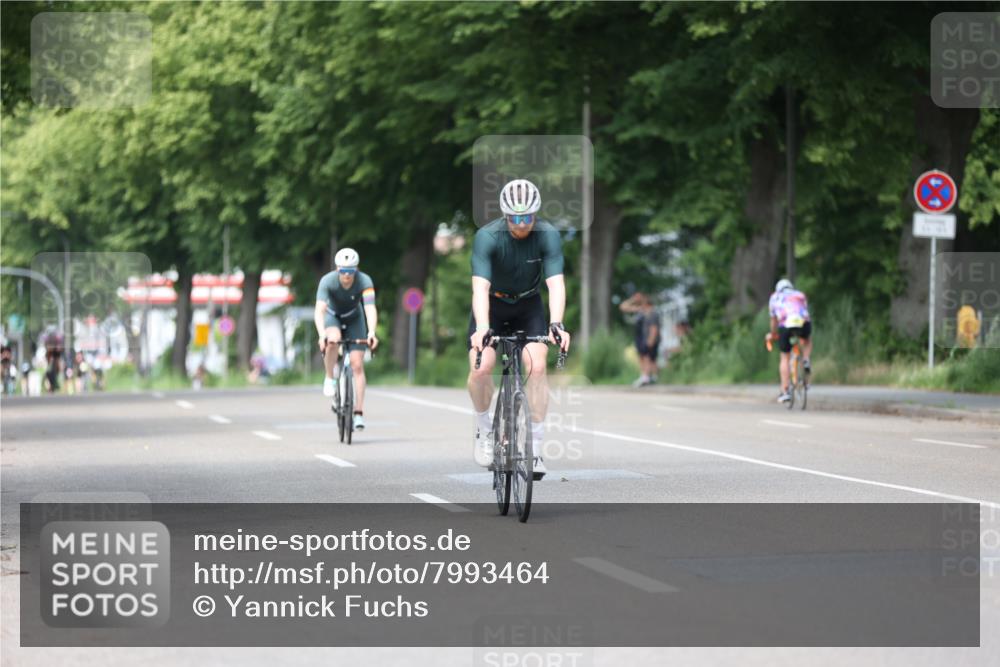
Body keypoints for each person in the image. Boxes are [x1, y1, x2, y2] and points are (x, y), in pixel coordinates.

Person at [467, 179, 571, 478]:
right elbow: (479, 288)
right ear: (505, 215)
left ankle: (536, 449)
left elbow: (555, 284)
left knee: (537, 367)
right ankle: (486, 431)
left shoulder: (547, 235)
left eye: (527, 217)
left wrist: (556, 323)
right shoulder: (488, 236)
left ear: (536, 215)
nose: (521, 223)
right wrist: (483, 327)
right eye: (514, 217)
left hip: (528, 305)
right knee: (481, 366)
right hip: (492, 304)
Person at [315, 248, 379, 431]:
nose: (347, 276)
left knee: (357, 365)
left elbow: (370, 308)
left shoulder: (365, 281)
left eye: (350, 271)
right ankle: (329, 377)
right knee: (333, 340)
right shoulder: (327, 281)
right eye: (343, 271)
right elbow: (319, 310)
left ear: (356, 270)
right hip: (332, 316)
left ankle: (358, 412)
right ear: (337, 269)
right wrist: (322, 334)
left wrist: (372, 332)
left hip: (354, 318)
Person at [765, 278, 813, 403]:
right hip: (803, 323)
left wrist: (773, 334)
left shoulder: (775, 297)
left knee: (785, 357)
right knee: (806, 340)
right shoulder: (799, 294)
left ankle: (785, 391)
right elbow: (805, 311)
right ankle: (806, 359)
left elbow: (774, 320)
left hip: (785, 324)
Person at [619, 292, 661, 386]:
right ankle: (647, 377)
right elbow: (623, 307)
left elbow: (654, 328)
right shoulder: (641, 310)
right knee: (644, 357)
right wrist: (632, 300)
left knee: (648, 358)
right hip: (641, 338)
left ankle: (648, 377)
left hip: (648, 338)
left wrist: (651, 339)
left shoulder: (652, 312)